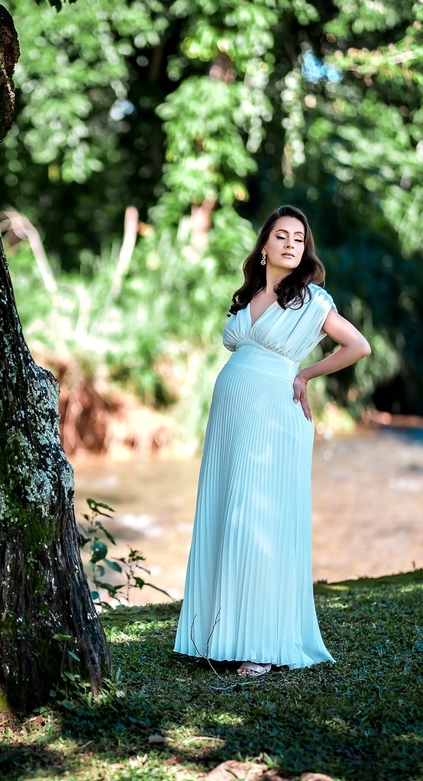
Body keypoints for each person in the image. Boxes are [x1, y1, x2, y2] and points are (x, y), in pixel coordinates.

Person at [173, 204, 371, 677]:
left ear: (304, 250)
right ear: (264, 246)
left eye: (298, 239)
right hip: (230, 416)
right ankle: (215, 635)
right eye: (281, 236)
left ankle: (260, 644)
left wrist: (307, 373)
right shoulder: (245, 298)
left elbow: (358, 346)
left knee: (260, 518)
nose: (289, 244)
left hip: (275, 418)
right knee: (225, 513)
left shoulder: (312, 300)